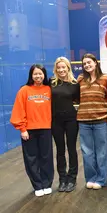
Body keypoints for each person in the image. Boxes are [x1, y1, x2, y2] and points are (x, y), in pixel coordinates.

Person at [10, 64, 54, 197]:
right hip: (29, 130)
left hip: (46, 128)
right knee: (31, 159)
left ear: (44, 75)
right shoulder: (24, 90)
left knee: (46, 157)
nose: (38, 76)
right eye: (35, 74)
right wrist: (22, 129)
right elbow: (18, 110)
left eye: (40, 73)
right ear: (31, 75)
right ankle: (37, 185)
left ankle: (47, 184)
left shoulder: (49, 89)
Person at [77, 53, 107, 190]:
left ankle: (101, 179)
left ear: (95, 63)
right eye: (84, 64)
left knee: (102, 152)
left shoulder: (105, 79)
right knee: (87, 152)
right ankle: (90, 178)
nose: (87, 65)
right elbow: (75, 98)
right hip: (83, 121)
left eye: (89, 62)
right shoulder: (80, 79)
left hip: (101, 120)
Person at [50, 57, 80, 192]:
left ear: (68, 68)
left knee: (72, 149)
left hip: (71, 120)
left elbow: (78, 100)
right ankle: (62, 179)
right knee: (60, 150)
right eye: (59, 67)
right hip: (56, 121)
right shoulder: (51, 83)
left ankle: (72, 178)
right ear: (56, 69)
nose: (61, 70)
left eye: (64, 67)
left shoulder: (74, 84)